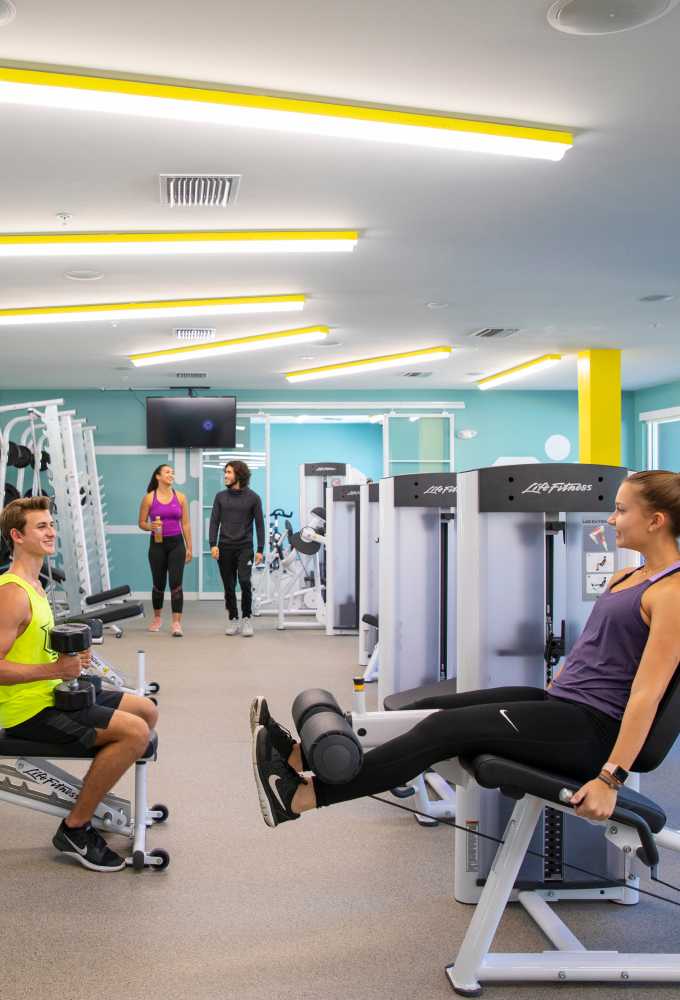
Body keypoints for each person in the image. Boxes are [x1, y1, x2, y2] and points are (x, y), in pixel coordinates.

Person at [251, 470, 680, 828]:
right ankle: (300, 754)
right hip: (564, 701)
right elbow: (600, 647)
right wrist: (563, 679)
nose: (611, 518)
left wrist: (610, 777)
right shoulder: (626, 577)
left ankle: (301, 797)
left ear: (657, 521)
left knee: (444, 732)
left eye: (622, 510)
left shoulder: (672, 594)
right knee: (435, 708)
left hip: (593, 727)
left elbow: (648, 692)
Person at [0, 496, 159, 872]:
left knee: (146, 709)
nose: (51, 531)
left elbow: (35, 648)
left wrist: (70, 661)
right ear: (16, 536)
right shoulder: (12, 594)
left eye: (51, 524)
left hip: (51, 691)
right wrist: (56, 671)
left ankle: (95, 795)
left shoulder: (36, 585)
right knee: (135, 734)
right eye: (41, 526)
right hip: (28, 709)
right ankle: (75, 828)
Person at [209, 460, 265, 637]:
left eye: (229, 472)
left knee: (244, 581)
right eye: (225, 472)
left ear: (239, 475)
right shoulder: (220, 497)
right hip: (224, 547)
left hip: (245, 547)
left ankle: (247, 617)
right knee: (229, 586)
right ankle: (233, 617)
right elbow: (214, 521)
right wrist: (213, 544)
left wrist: (260, 549)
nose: (226, 475)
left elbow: (260, 525)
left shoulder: (254, 498)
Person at [138, 464, 192, 637]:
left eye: (173, 472)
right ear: (158, 476)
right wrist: (151, 526)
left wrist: (189, 547)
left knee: (176, 584)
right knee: (158, 583)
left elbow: (186, 524)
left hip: (177, 545)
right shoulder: (148, 498)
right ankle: (157, 618)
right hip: (157, 545)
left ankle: (176, 623)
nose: (171, 474)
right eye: (167, 472)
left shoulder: (181, 497)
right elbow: (141, 523)